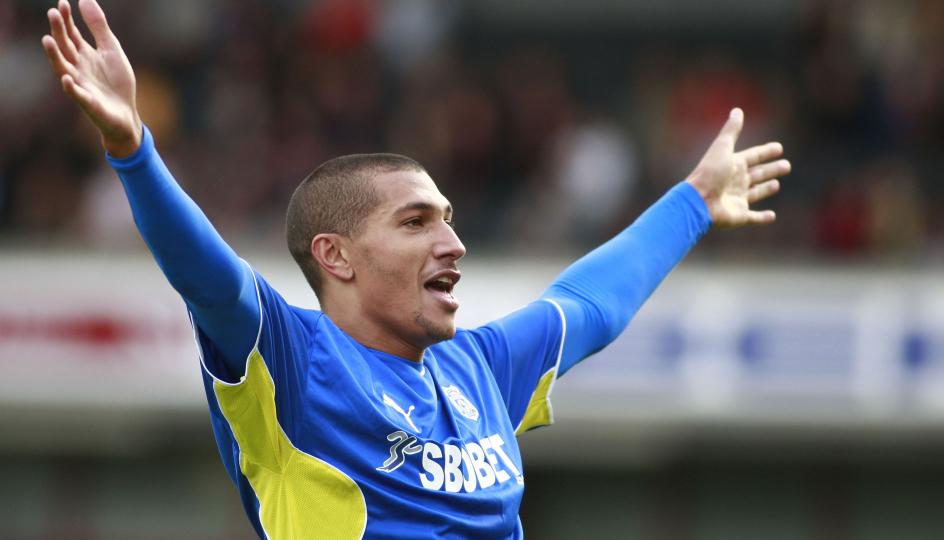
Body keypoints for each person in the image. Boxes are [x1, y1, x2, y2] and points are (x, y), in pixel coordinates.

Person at [41, 1, 790, 538]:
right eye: (416, 222)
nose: (452, 243)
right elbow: (209, 278)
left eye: (449, 219)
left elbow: (590, 306)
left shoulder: (480, 369)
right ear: (335, 255)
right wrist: (133, 149)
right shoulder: (293, 366)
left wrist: (693, 203)